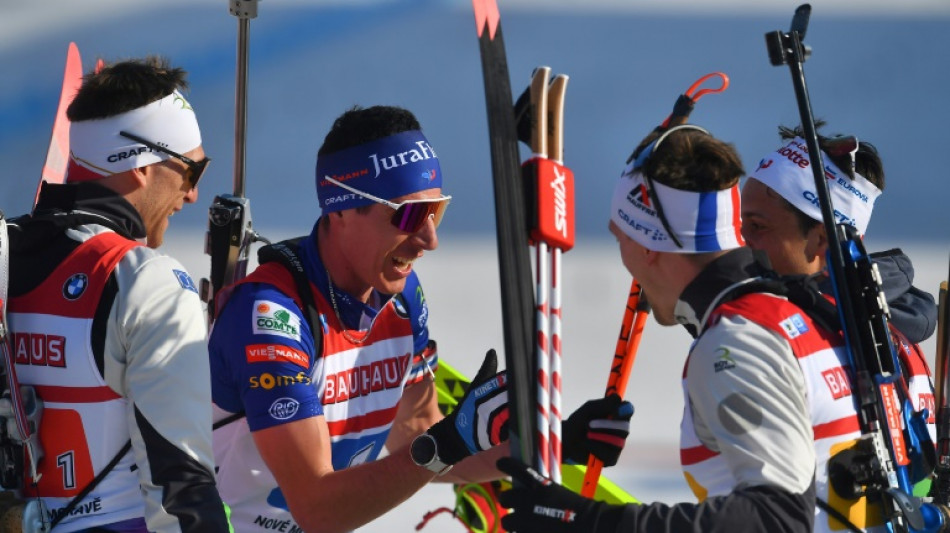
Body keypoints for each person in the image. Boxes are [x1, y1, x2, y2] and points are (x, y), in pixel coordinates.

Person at [208, 104, 633, 533]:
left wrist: (556, 445)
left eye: (436, 212)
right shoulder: (272, 317)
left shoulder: (401, 299)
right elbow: (319, 510)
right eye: (409, 215)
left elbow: (419, 440)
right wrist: (448, 442)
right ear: (340, 210)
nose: (429, 239)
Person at [498, 123, 859, 532]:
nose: (624, 260)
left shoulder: (736, 342)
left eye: (621, 238)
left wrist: (592, 521)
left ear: (648, 246)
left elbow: (777, 520)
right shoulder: (796, 311)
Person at [4, 57, 230, 532]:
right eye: (192, 171)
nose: (191, 195)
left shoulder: (6, 252)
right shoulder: (145, 280)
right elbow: (182, 486)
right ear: (141, 166)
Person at [740, 125, 939, 530]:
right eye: (740, 223)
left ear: (820, 240)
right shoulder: (885, 327)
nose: (741, 241)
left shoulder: (815, 333)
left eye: (757, 226)